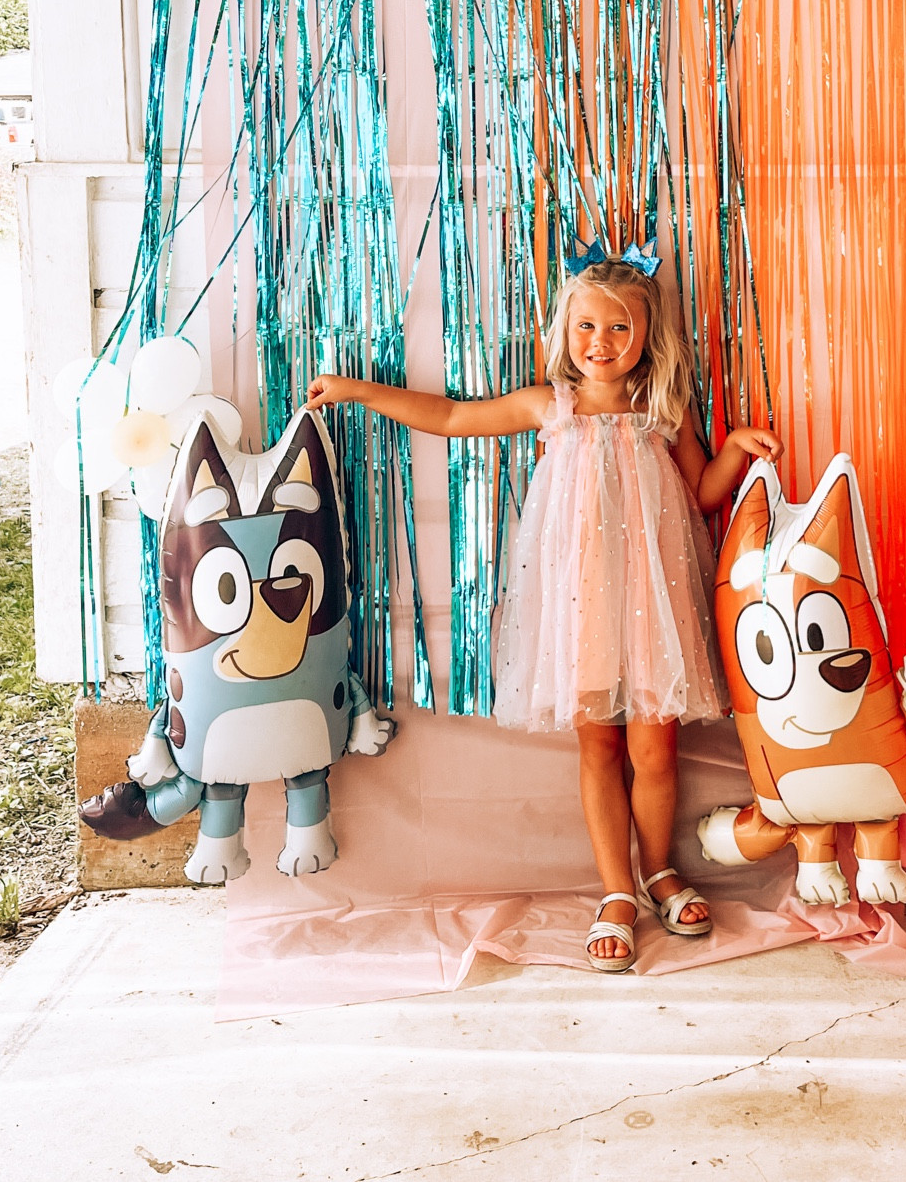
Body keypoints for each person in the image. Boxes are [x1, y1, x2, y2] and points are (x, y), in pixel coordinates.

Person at [306, 245, 781, 973]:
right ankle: (616, 890)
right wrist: (362, 392)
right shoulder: (548, 406)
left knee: (656, 749)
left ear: (648, 337)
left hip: (652, 604)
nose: (601, 343)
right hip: (579, 605)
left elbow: (703, 496)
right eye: (588, 326)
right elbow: (452, 417)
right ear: (566, 330)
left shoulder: (662, 409)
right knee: (600, 745)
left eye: (620, 329)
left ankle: (659, 872)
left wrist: (738, 451)